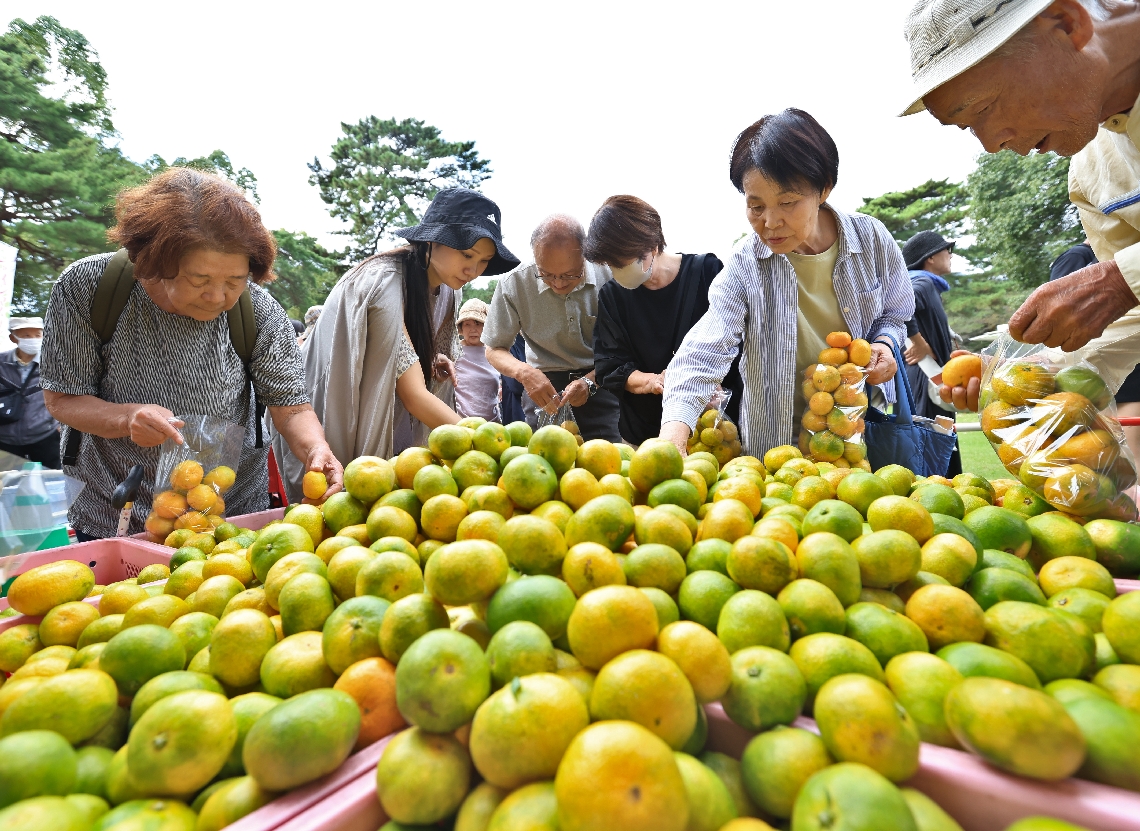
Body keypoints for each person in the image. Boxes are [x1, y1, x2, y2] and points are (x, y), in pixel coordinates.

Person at [40, 167, 341, 541]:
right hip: (115, 511)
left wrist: (316, 449)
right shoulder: (90, 288)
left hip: (229, 516)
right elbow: (62, 398)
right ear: (154, 262)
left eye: (234, 281)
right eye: (200, 280)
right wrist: (126, 417)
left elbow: (291, 406)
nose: (217, 296)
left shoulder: (259, 310)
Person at [900, 0, 1140, 410]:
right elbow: (1129, 315)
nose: (991, 144)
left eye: (983, 108)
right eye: (969, 128)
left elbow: (1124, 286)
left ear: (1066, 22)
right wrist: (1024, 370)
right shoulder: (1090, 170)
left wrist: (1120, 278)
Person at [660, 109, 913, 458]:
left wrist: (884, 343)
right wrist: (673, 435)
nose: (770, 222)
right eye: (756, 206)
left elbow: (895, 315)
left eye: (787, 202)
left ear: (823, 189)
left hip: (851, 435)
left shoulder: (870, 240)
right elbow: (704, 352)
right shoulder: (746, 264)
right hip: (775, 447)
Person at [278, 188, 519, 501]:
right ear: (431, 241)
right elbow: (414, 395)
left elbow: (402, 358)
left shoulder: (449, 290)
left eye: (484, 261)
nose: (473, 270)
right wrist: (487, 445)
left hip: (391, 420)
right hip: (326, 416)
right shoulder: (383, 284)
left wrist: (427, 360)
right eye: (467, 255)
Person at [586, 195, 739, 446]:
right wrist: (654, 381)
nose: (619, 270)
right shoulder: (613, 296)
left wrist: (710, 381)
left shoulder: (706, 272)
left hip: (712, 431)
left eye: (625, 261)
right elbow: (609, 366)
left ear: (653, 245)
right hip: (644, 435)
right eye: (612, 264)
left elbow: (735, 340)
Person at [482, 216, 622, 441]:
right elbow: (494, 349)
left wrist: (591, 381)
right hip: (542, 388)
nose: (558, 283)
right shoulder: (514, 282)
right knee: (544, 458)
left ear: (585, 253)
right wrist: (524, 372)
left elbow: (626, 347)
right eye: (546, 274)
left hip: (601, 382)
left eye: (570, 275)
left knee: (608, 457)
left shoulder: (610, 275)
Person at [901, 231, 963, 474]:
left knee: (940, 443)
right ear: (930, 257)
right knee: (932, 449)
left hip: (930, 381)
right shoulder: (922, 283)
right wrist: (918, 342)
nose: (950, 255)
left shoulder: (928, 285)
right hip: (926, 378)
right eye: (947, 250)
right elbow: (901, 303)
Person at [0, 317, 59, 469]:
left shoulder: (53, 364)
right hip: (5, 438)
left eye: (37, 335)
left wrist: (60, 424)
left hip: (44, 435)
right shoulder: (1, 363)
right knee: (8, 480)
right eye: (26, 335)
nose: (33, 339)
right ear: (13, 338)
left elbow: (67, 394)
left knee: (52, 478)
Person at [453, 298, 501, 422]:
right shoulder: (453, 352)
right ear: (461, 328)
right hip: (461, 423)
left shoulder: (496, 352)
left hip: (493, 424)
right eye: (467, 324)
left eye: (478, 323)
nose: (472, 329)